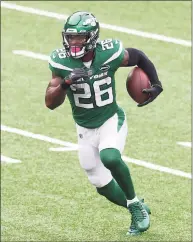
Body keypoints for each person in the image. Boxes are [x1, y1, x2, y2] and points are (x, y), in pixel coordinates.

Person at [45, 11, 163, 236]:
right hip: (84, 128)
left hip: (111, 119)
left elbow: (137, 56)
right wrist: (66, 83)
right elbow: (50, 102)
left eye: (79, 37)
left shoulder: (109, 53)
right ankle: (136, 207)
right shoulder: (61, 61)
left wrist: (156, 84)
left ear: (92, 37)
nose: (74, 42)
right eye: (70, 37)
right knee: (100, 183)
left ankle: (135, 204)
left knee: (110, 156)